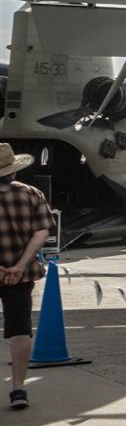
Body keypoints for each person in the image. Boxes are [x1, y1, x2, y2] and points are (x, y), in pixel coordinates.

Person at [0, 144, 54, 411]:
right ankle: (18, 388)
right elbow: (42, 232)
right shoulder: (32, 193)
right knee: (20, 329)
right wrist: (19, 266)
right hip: (20, 276)